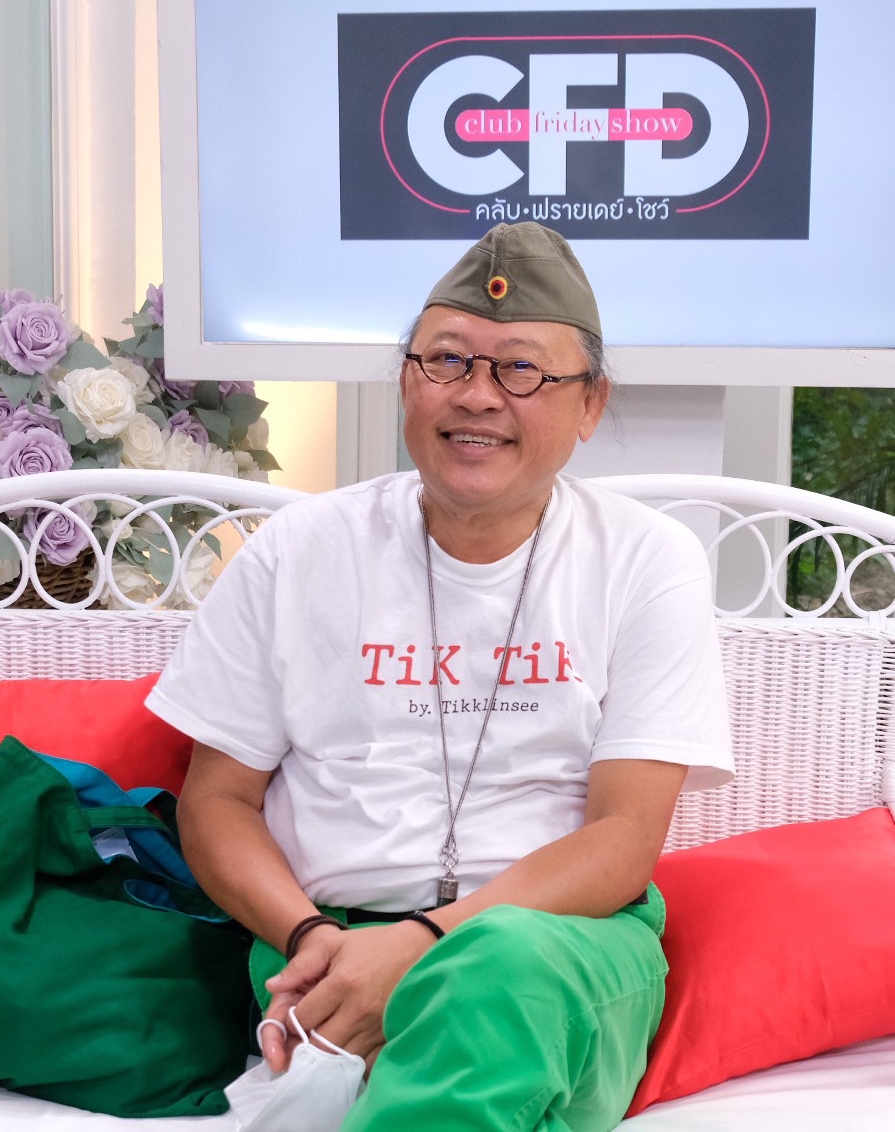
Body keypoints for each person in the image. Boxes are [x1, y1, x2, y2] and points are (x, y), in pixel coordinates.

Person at [145, 222, 733, 1131]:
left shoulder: (647, 559)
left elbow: (624, 838)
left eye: (522, 369)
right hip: (326, 943)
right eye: (446, 360)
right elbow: (216, 802)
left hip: (556, 946)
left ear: (591, 404)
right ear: (406, 381)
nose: (478, 396)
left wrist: (420, 947)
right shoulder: (299, 550)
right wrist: (316, 940)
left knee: (495, 981)